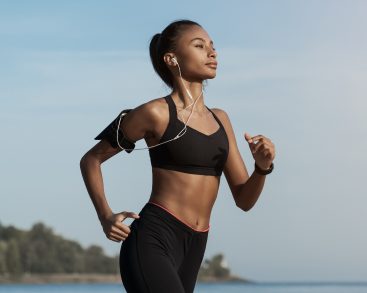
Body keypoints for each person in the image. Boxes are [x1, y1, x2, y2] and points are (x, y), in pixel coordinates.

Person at [79, 19, 275, 293]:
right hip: (154, 239)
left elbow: (244, 199)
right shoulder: (155, 113)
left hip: (194, 248)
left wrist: (262, 167)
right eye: (199, 45)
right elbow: (91, 159)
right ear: (171, 59)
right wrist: (105, 216)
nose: (212, 52)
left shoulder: (221, 120)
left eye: (212, 46)